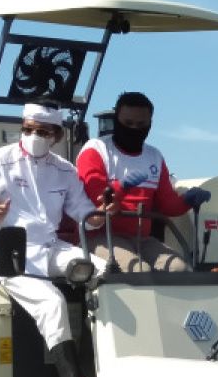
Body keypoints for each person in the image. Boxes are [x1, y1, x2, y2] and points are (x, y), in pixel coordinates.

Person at [0, 101, 97, 377]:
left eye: (41, 131)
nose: (32, 135)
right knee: (52, 302)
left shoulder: (65, 170)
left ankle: (97, 368)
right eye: (27, 129)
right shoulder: (0, 161)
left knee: (103, 272)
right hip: (10, 252)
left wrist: (103, 213)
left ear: (56, 135)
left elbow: (86, 215)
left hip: (49, 247)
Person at [75, 92, 210, 272]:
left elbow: (167, 205)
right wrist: (121, 187)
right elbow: (98, 204)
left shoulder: (154, 156)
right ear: (116, 120)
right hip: (101, 236)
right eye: (128, 123)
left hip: (141, 239)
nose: (134, 129)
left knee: (180, 269)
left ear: (150, 124)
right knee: (138, 271)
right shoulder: (96, 150)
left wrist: (188, 200)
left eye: (141, 125)